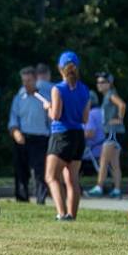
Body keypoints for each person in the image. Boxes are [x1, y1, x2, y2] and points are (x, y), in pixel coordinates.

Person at [45, 51, 91, 221]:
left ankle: (62, 213)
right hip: (79, 136)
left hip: (61, 135)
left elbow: (56, 115)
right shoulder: (85, 89)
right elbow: (85, 118)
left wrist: (48, 107)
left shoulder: (58, 88)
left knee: (51, 177)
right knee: (72, 179)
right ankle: (72, 215)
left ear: (60, 68)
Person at [7, 66, 50, 203]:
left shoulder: (44, 97)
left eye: (29, 80)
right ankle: (22, 199)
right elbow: (13, 119)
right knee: (21, 171)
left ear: (36, 80)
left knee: (39, 172)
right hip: (22, 137)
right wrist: (16, 132)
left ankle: (40, 199)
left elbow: (51, 119)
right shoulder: (19, 98)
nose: (26, 84)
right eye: (24, 81)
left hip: (40, 138)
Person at [85, 72, 126, 199]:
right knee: (114, 163)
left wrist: (119, 118)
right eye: (98, 82)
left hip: (113, 131)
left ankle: (99, 187)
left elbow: (122, 105)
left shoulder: (111, 94)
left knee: (103, 160)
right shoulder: (107, 95)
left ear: (109, 84)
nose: (99, 84)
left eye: (103, 82)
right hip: (113, 132)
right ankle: (117, 189)